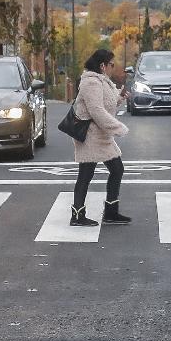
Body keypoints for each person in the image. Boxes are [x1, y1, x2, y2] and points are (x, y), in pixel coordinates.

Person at [70, 48, 131, 227]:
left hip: (101, 135)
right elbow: (96, 111)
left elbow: (106, 104)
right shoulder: (91, 83)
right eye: (112, 64)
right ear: (103, 66)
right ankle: (77, 215)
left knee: (117, 169)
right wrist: (118, 128)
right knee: (86, 174)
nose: (114, 67)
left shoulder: (103, 81)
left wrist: (119, 98)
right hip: (90, 135)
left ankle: (111, 212)